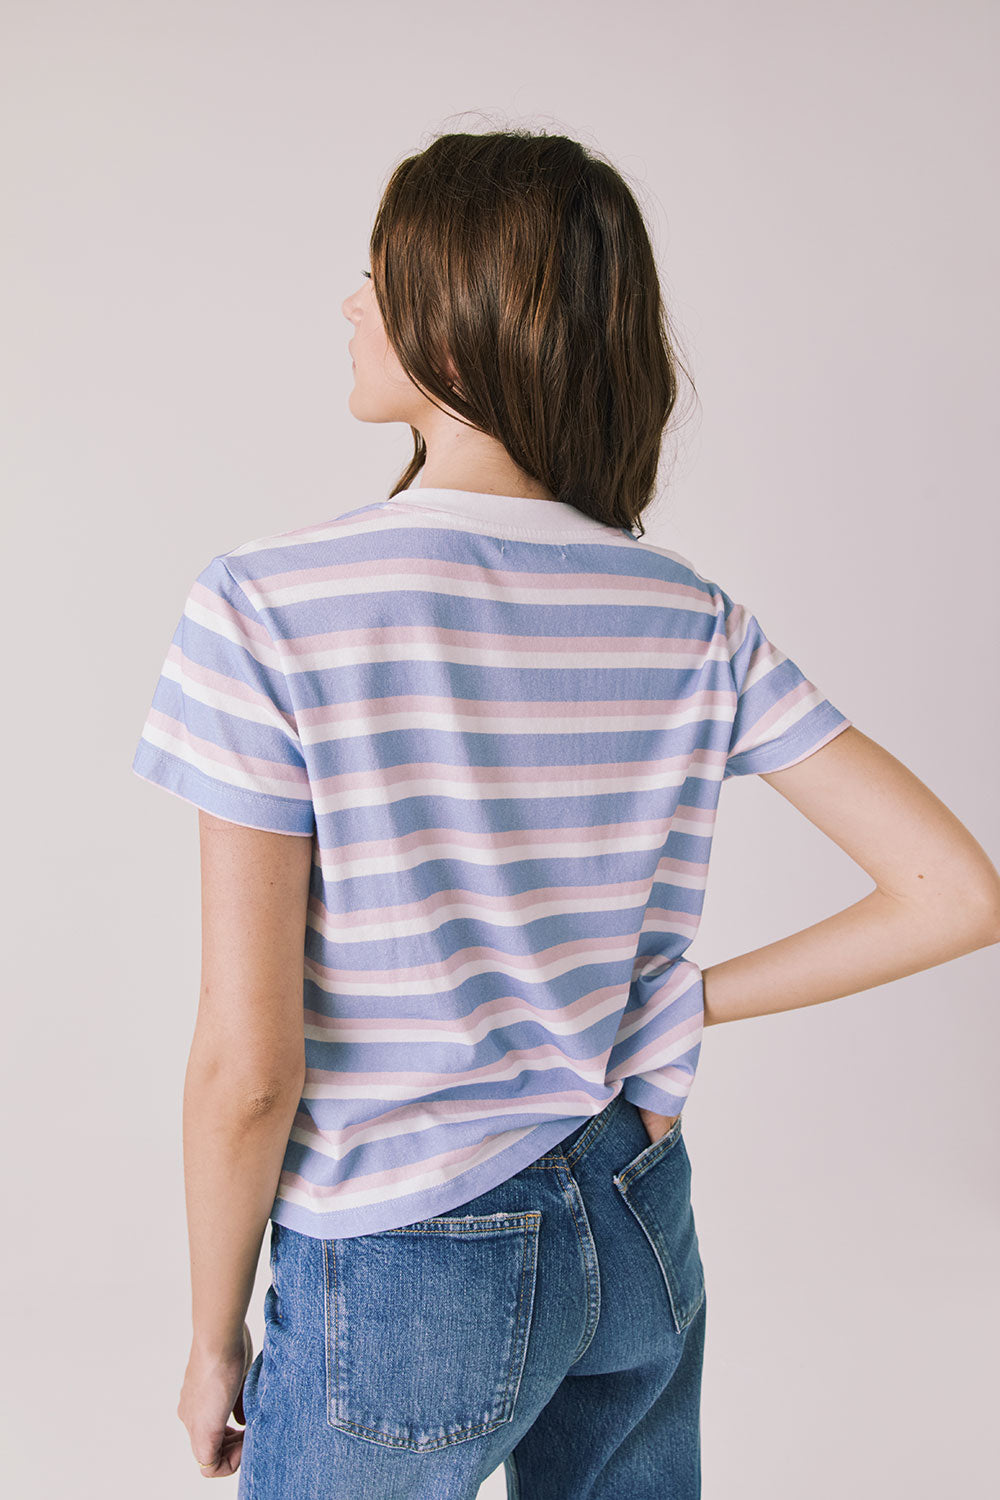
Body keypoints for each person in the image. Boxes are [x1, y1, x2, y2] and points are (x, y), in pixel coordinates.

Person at [131, 129, 1000, 1499]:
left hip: (404, 1253)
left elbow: (248, 1064)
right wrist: (688, 1001)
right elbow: (956, 892)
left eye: (383, 276)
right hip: (633, 1214)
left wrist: (207, 1334)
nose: (352, 303)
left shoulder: (266, 607)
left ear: (467, 328)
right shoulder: (687, 614)